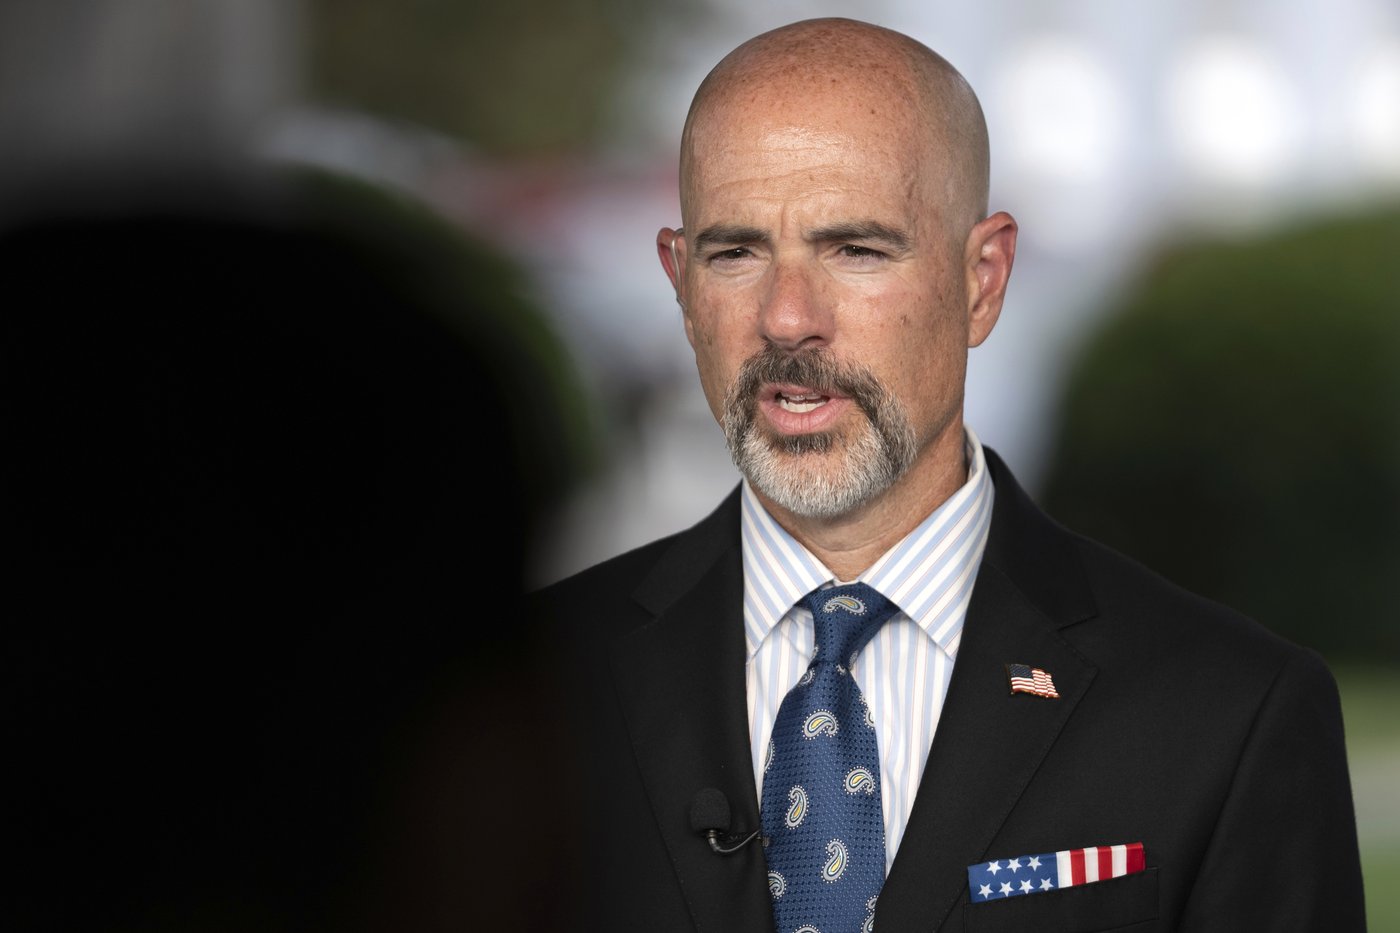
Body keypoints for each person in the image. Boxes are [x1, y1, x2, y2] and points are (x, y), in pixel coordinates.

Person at [532, 16, 1365, 932]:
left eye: (856, 249)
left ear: (984, 278)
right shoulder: (515, 697)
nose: (787, 317)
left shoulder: (1229, 710)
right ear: (680, 283)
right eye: (736, 252)